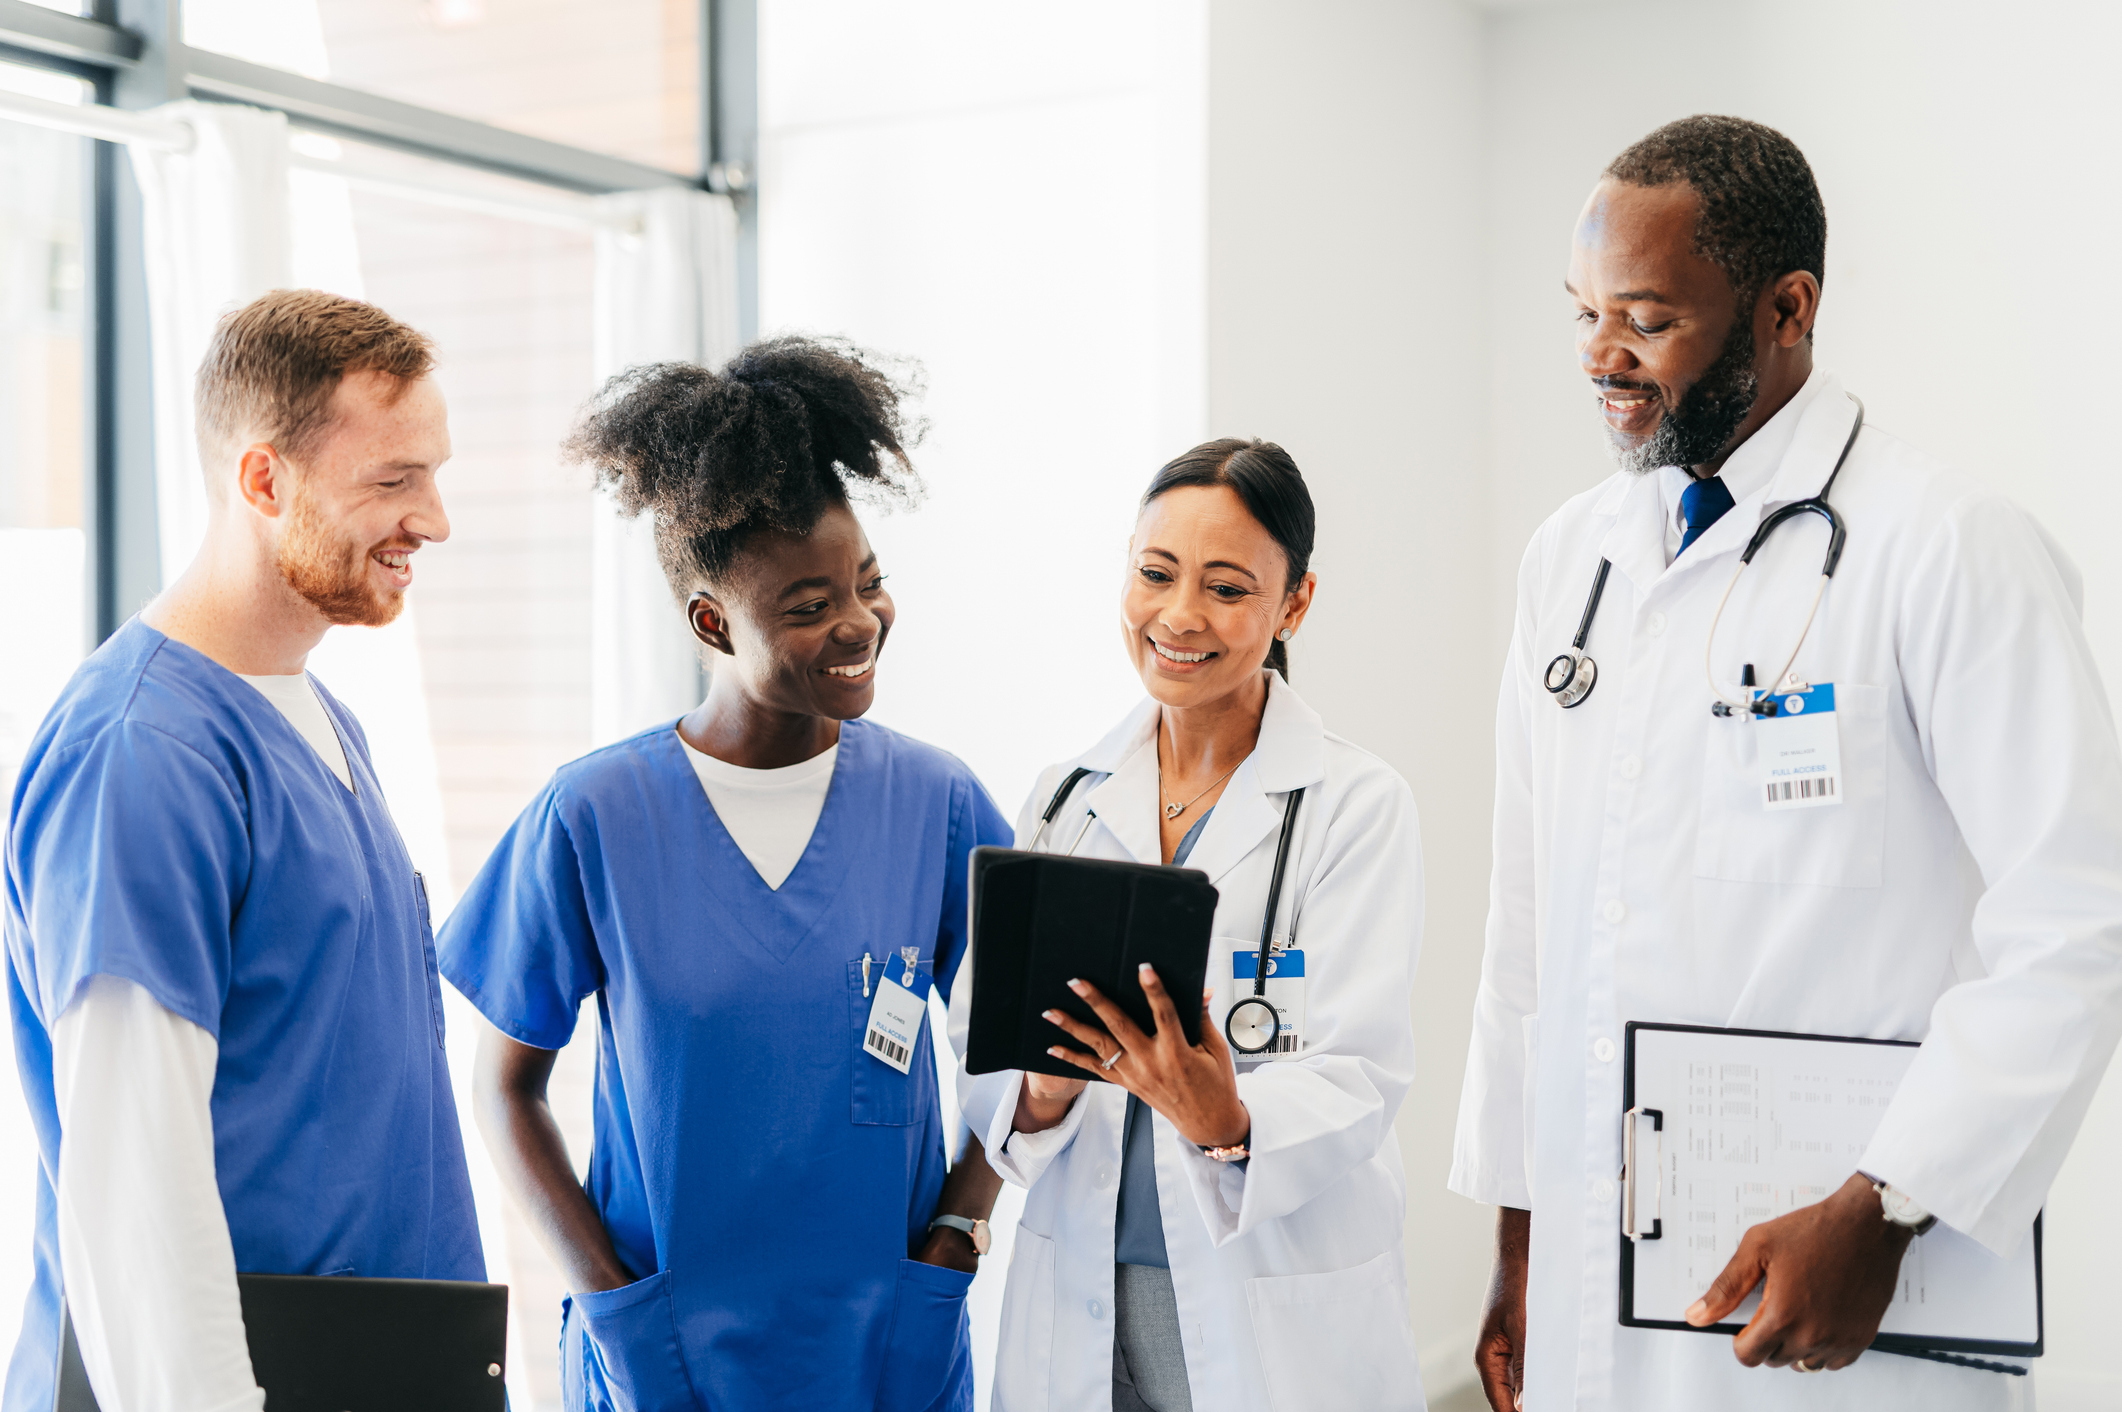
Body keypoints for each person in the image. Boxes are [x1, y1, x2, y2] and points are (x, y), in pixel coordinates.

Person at [1451, 114, 2122, 1411]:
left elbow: (2077, 916)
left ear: (1785, 308)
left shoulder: (1945, 547)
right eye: (1581, 312)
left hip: (1850, 1275)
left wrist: (1889, 1204)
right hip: (1603, 1273)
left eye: (1644, 318)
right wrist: (1521, 1237)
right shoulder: (1571, 561)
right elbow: (1527, 933)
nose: (1600, 355)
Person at [438, 337, 1012, 1412]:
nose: (856, 622)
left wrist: (956, 1233)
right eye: (805, 604)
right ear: (712, 620)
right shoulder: (594, 815)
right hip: (669, 1349)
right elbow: (504, 1087)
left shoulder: (934, 802)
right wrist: (611, 1294)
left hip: (888, 1336)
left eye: (869, 582)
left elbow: (1024, 1046)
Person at [2, 290, 481, 1412]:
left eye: (435, 473)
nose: (436, 519)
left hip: (380, 1361)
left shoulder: (315, 716)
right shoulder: (142, 751)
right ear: (263, 481)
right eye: (394, 480)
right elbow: (133, 1174)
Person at [951, 438, 1427, 1412]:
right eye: (1154, 573)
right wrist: (1036, 1089)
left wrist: (1228, 1119)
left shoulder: (1355, 803)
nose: (1178, 616)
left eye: (1225, 587)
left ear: (1293, 602)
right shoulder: (1066, 797)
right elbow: (980, 1026)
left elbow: (1363, 1068)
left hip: (1259, 1282)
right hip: (1080, 1277)